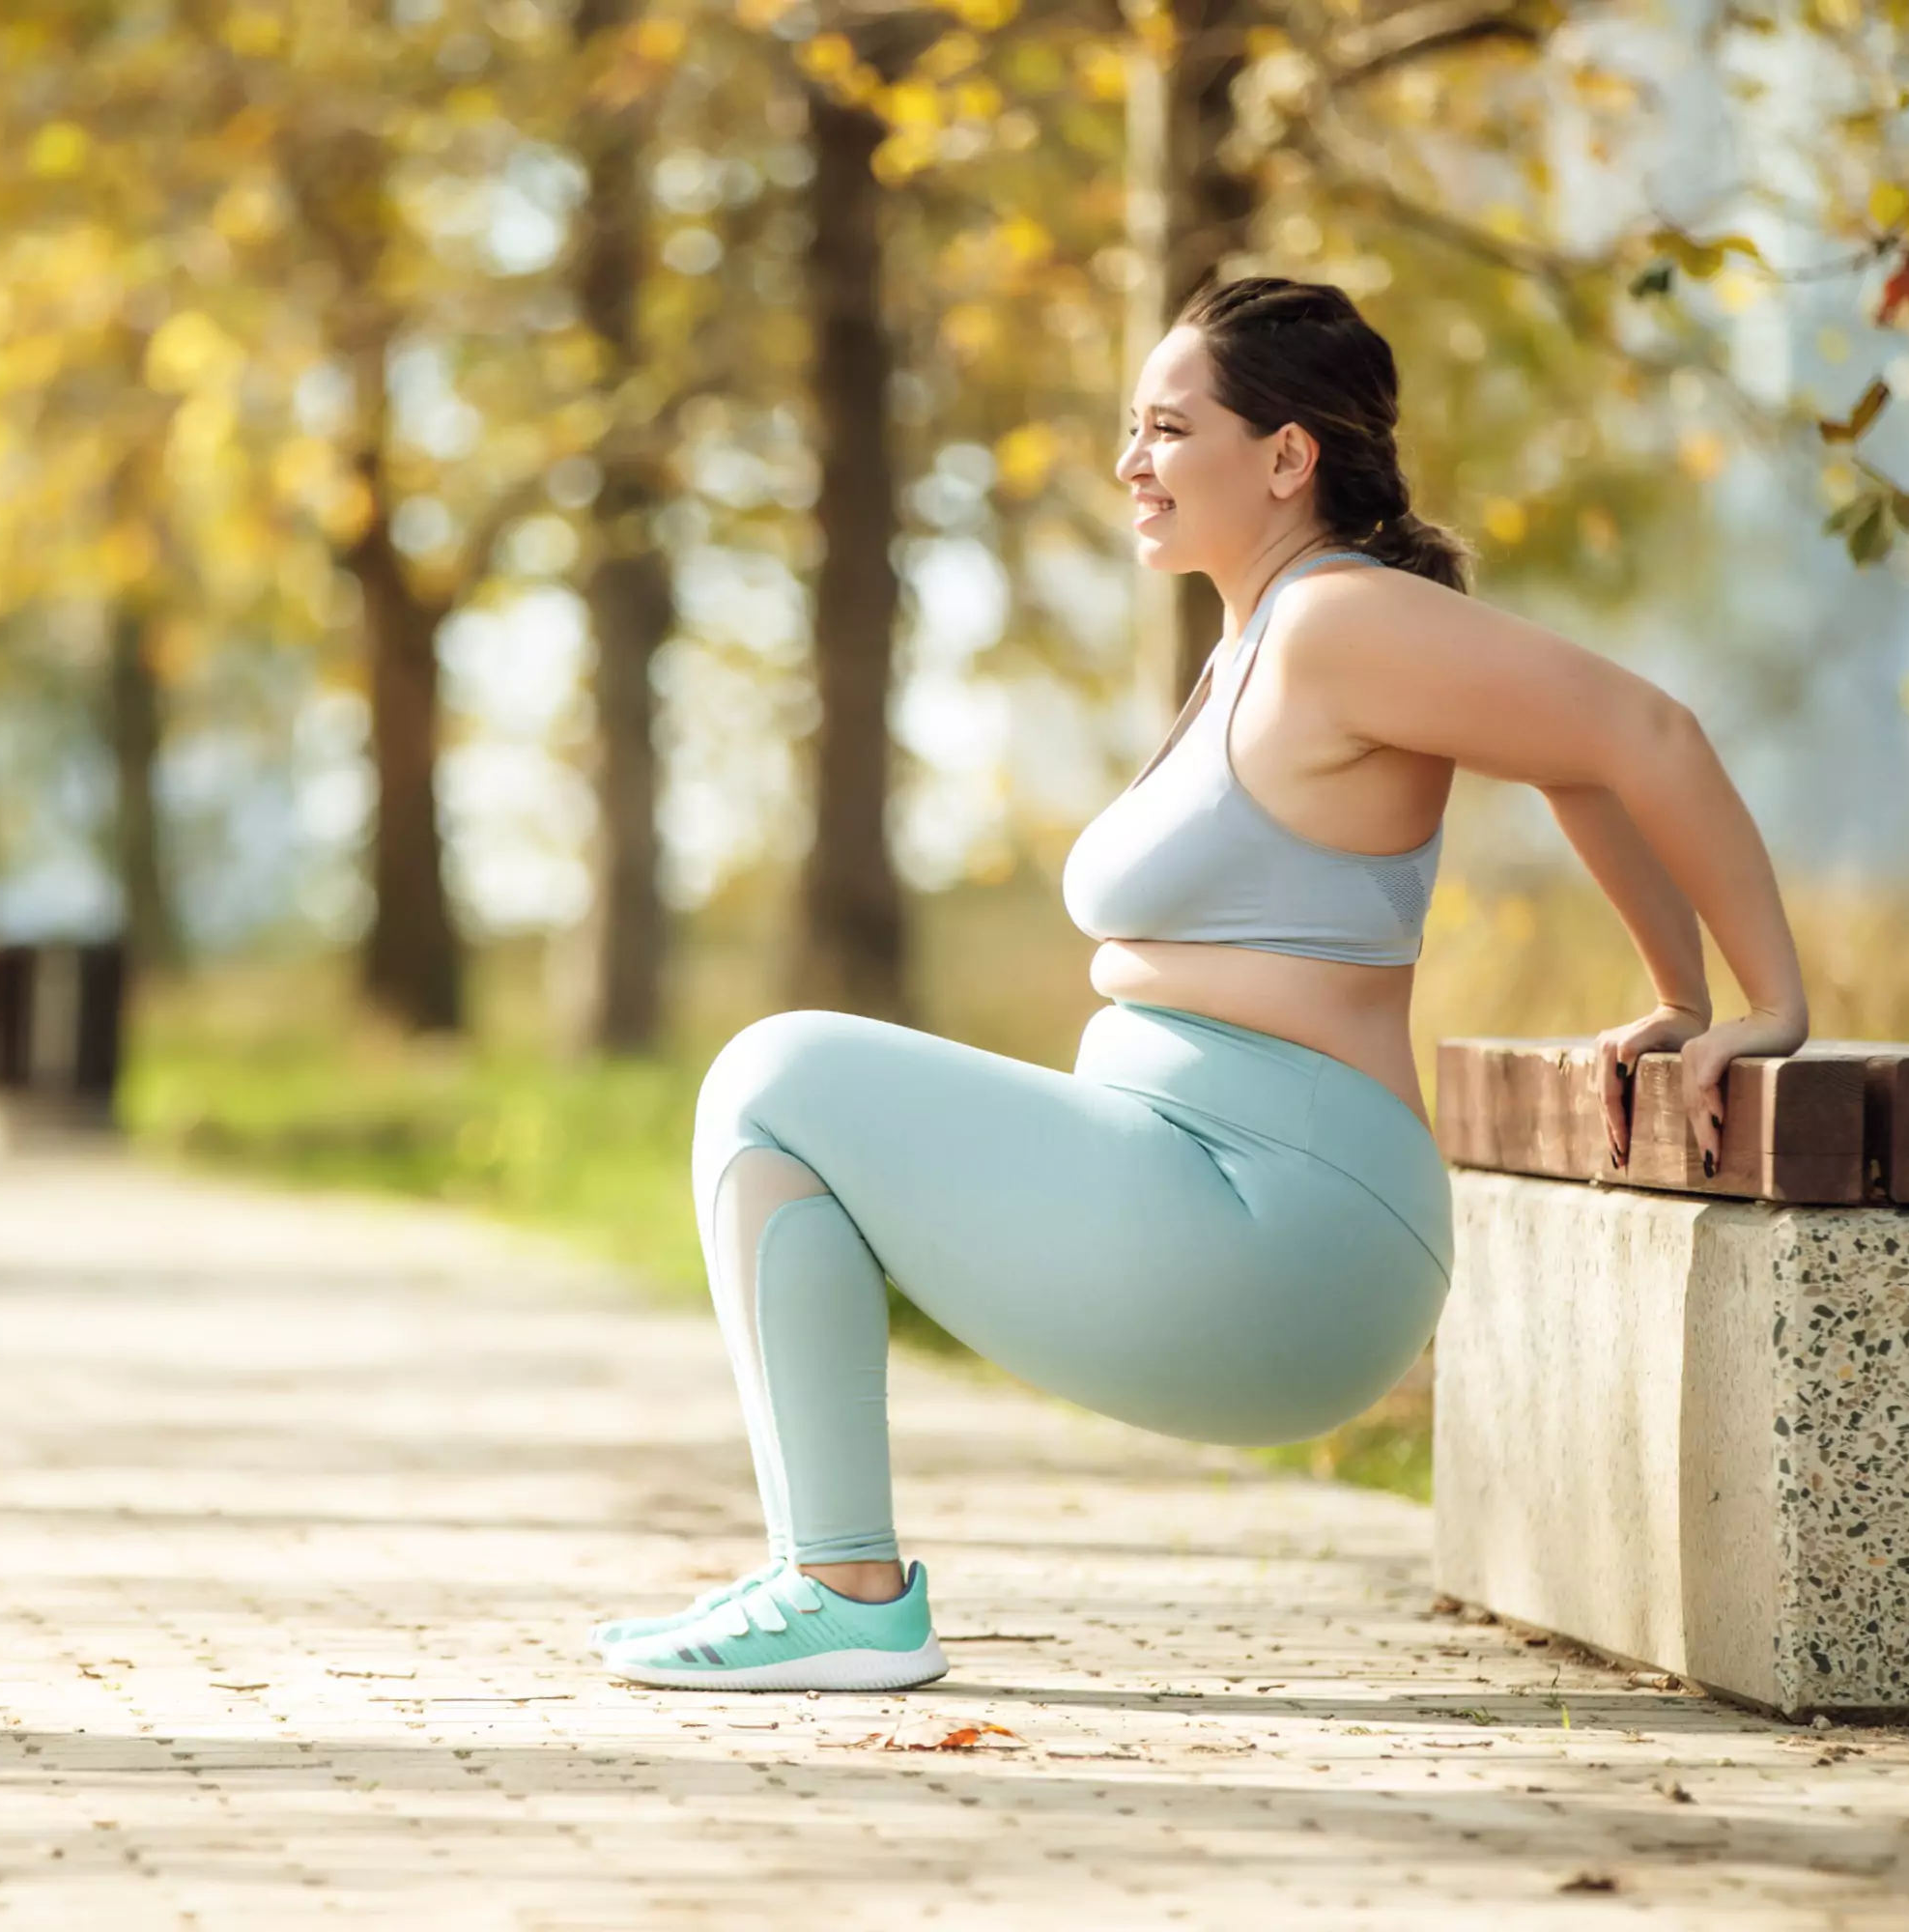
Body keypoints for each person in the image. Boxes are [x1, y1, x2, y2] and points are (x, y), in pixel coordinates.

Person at [588, 276, 1811, 1692]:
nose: (1130, 464)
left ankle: (845, 1591)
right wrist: (1674, 989)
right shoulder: (1261, 635)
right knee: (784, 1122)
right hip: (1192, 1186)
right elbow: (1570, 761)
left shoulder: (1334, 622)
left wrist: (1757, 1005)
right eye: (1132, 428)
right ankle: (831, 1575)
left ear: (1287, 457)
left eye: (1169, 429)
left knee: (775, 1075)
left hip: (1280, 1226)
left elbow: (1639, 732)